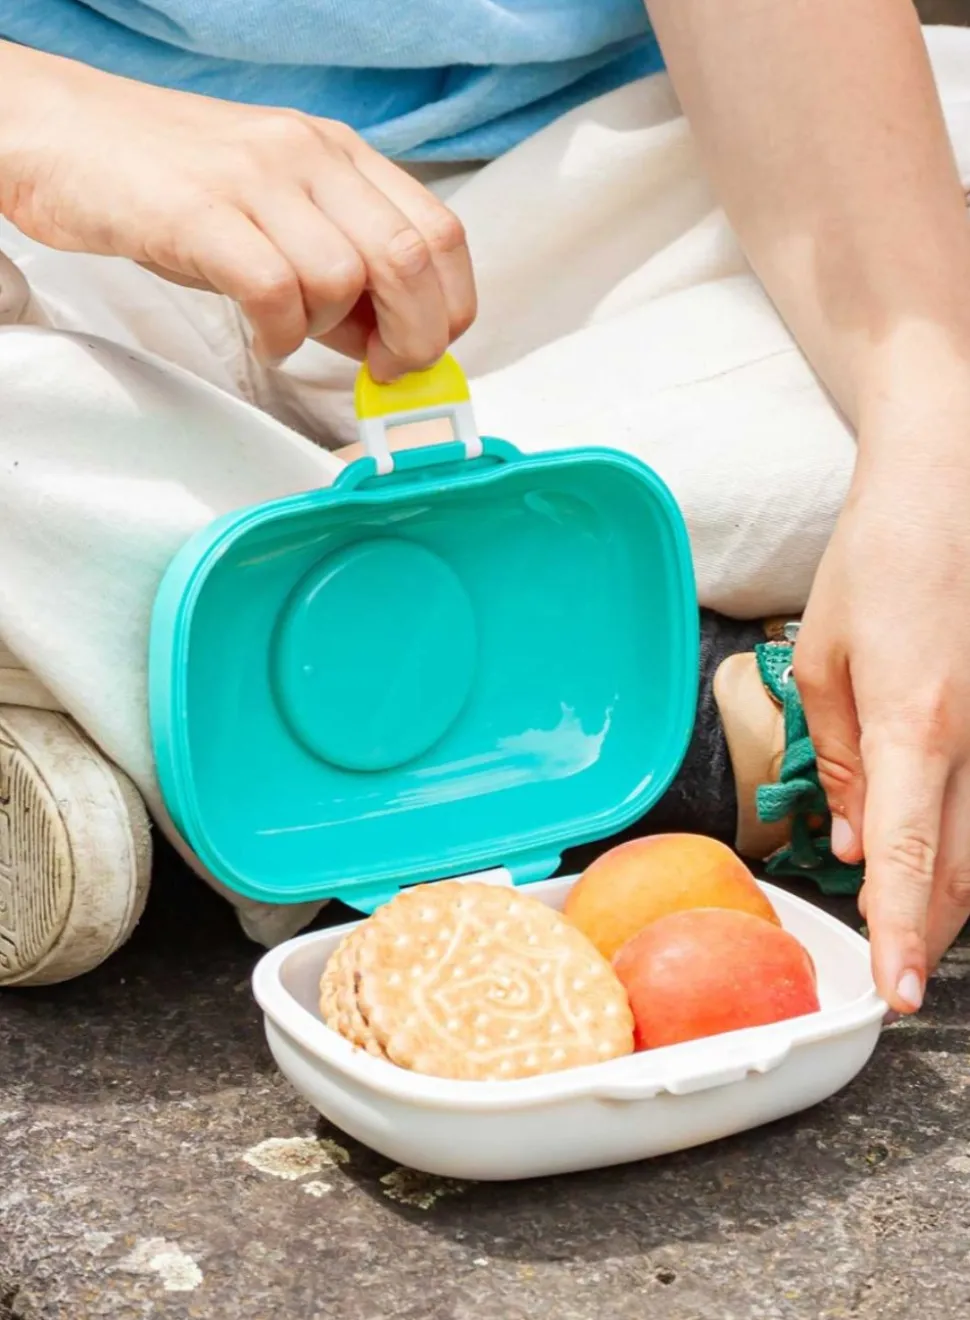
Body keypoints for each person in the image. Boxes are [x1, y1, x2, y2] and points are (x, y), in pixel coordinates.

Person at [0, 2, 967, 1017]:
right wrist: (44, 112)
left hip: (573, 198)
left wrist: (932, 464)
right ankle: (701, 726)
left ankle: (179, 686)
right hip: (75, 228)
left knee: (935, 224)